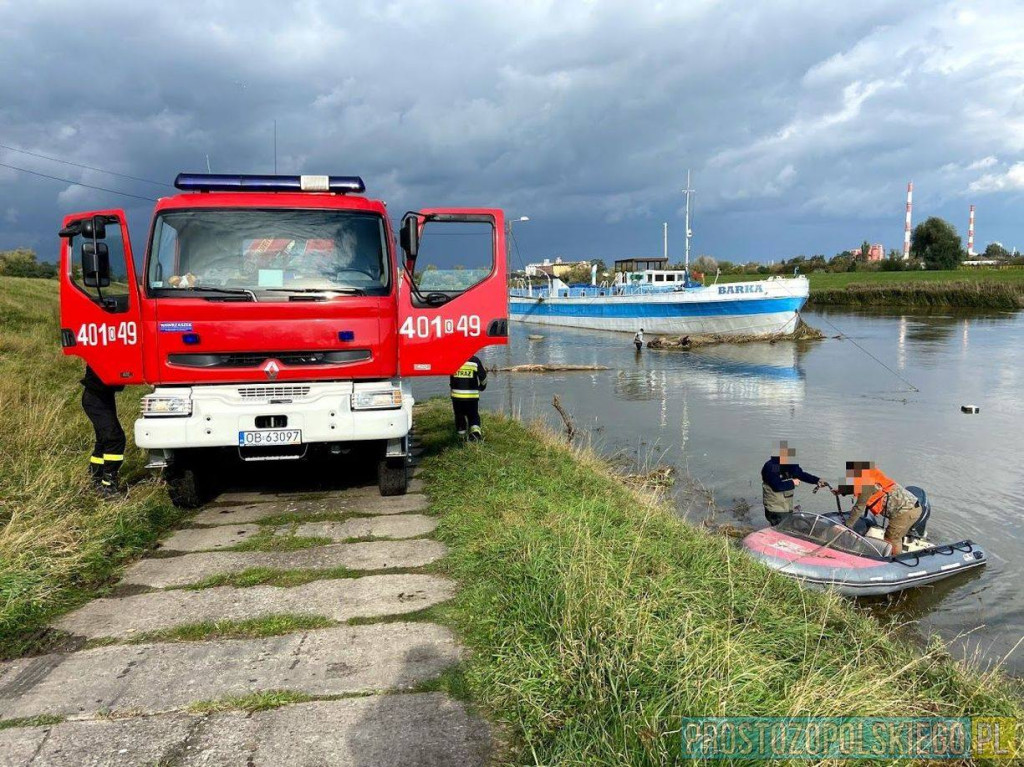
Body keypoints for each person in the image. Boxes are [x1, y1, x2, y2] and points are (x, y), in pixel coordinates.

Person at [837, 462, 923, 556]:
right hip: (907, 508)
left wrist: (846, 526)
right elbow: (854, 485)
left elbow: (859, 507)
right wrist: (841, 490)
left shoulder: (867, 485)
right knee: (892, 536)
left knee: (892, 538)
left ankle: (895, 561)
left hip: (906, 511)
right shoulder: (868, 476)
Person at [80, 365, 126, 498]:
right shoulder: (104, 350)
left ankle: (95, 479)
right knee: (115, 439)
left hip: (101, 397)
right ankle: (108, 486)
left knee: (103, 441)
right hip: (95, 399)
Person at [761, 441, 827, 525]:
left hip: (786, 506)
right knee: (781, 528)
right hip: (775, 508)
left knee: (786, 527)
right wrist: (792, 482)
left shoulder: (789, 464)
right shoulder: (771, 466)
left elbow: (800, 474)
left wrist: (817, 480)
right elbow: (777, 486)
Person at [450, 355, 487, 441]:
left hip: (457, 397)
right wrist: (482, 387)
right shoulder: (475, 360)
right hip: (472, 396)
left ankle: (461, 439)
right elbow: (483, 377)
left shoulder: (452, 359)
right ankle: (475, 436)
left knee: (459, 416)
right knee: (473, 416)